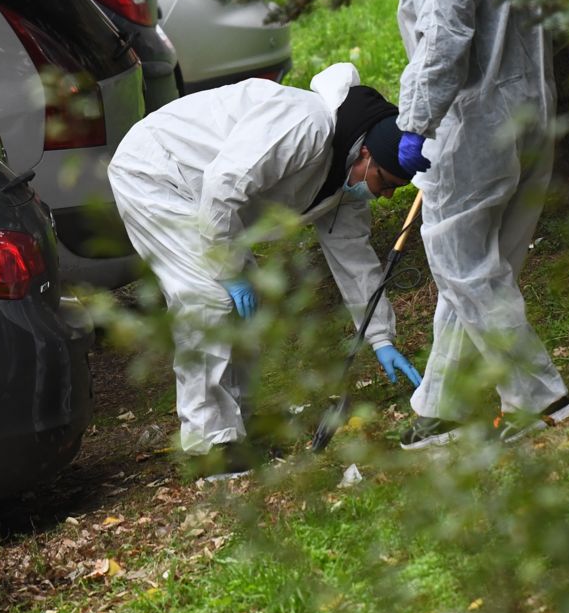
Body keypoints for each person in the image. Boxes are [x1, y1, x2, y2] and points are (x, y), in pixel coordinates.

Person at [108, 63, 429, 475]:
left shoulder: (345, 177)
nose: (383, 195)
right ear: (365, 152)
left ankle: (234, 426)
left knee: (242, 306)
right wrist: (228, 271)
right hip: (158, 171)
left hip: (208, 196)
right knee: (208, 301)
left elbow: (355, 257)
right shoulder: (306, 125)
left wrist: (381, 336)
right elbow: (225, 184)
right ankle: (209, 445)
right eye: (384, 182)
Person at [392, 0, 569, 448]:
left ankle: (539, 397)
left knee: (463, 265)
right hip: (535, 109)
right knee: (481, 270)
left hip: (472, 121)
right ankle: (443, 402)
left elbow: (442, 37)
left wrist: (415, 124)